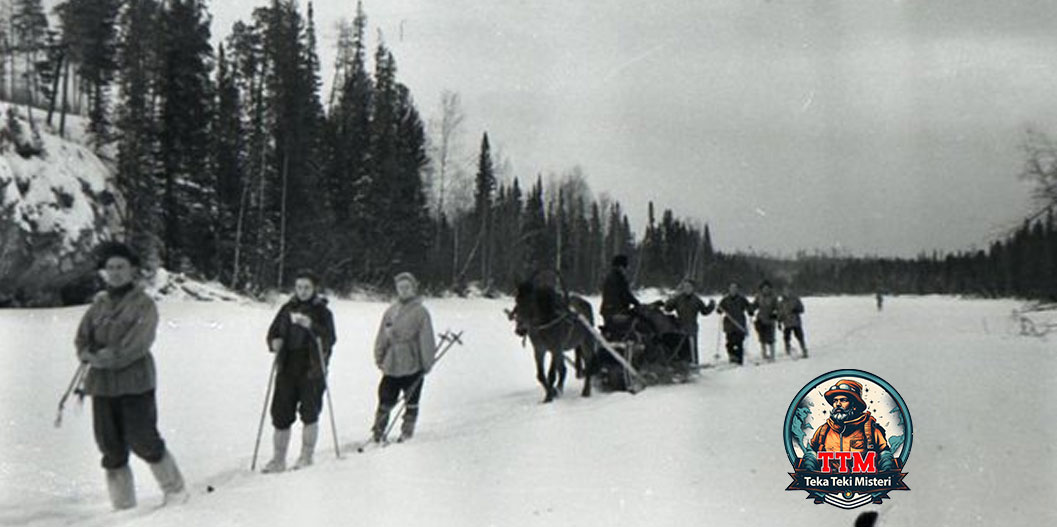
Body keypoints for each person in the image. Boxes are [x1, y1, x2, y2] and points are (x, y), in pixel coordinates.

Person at [74, 242, 188, 509]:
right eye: (110, 267)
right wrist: (86, 353)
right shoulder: (98, 305)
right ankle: (123, 506)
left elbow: (136, 345)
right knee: (110, 447)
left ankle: (175, 490)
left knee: (143, 439)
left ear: (132, 270)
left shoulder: (143, 304)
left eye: (121, 267)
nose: (115, 272)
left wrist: (99, 357)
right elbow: (82, 339)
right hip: (101, 386)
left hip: (135, 382)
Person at [262, 270, 337, 473]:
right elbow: (273, 332)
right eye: (299, 287)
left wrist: (311, 326)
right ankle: (278, 459)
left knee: (310, 412)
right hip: (287, 365)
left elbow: (330, 338)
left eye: (307, 287)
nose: (302, 291)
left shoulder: (322, 312)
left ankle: (306, 456)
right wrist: (273, 342)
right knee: (280, 413)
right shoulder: (287, 308)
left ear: (314, 289)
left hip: (312, 367)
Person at [371, 272, 436, 443]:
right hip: (392, 362)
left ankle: (407, 430)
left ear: (414, 289)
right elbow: (382, 335)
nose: (404, 290)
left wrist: (426, 362)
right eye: (401, 287)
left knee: (412, 398)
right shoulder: (391, 311)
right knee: (385, 396)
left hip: (412, 362)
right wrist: (380, 355)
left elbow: (426, 338)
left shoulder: (421, 312)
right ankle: (378, 430)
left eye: (407, 287)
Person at [805, 379, 897, 473]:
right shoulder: (823, 430)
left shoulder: (870, 430)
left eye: (843, 400)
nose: (838, 404)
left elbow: (884, 453)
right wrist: (810, 465)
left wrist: (886, 468)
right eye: (835, 401)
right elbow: (811, 451)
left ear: (854, 405)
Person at [662, 279, 716, 364]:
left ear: (693, 288)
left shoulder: (696, 299)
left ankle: (694, 364)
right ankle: (682, 365)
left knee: (692, 349)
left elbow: (704, 311)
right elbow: (668, 309)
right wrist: (669, 301)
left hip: (692, 328)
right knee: (680, 348)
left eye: (689, 287)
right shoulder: (678, 298)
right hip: (680, 327)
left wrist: (711, 306)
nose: (687, 289)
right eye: (685, 287)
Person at [600, 254, 641, 334]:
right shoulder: (619, 278)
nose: (626, 269)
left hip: (607, 310)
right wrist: (637, 304)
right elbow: (625, 294)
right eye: (625, 267)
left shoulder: (610, 276)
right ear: (620, 266)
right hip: (617, 311)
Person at [716, 282, 753, 365]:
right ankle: (732, 357)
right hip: (729, 325)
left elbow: (749, 307)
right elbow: (719, 308)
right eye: (732, 289)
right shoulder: (725, 299)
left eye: (735, 289)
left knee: (739, 343)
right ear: (729, 290)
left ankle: (739, 360)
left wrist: (750, 311)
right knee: (730, 343)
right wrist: (719, 310)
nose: (733, 290)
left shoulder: (742, 299)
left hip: (739, 324)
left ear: (737, 290)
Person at [751, 280, 780, 362]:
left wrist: (775, 314)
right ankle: (764, 354)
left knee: (771, 338)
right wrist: (751, 309)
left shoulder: (774, 297)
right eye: (764, 288)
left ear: (770, 289)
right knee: (762, 338)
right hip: (760, 319)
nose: (766, 290)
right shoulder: (759, 296)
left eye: (767, 288)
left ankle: (772, 355)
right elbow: (755, 305)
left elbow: (778, 307)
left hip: (770, 320)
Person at [778, 286, 807, 358]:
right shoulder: (781, 302)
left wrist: (797, 310)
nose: (786, 293)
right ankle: (787, 350)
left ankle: (804, 350)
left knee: (800, 336)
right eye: (785, 292)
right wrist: (779, 321)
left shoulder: (796, 300)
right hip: (787, 323)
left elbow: (802, 309)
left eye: (788, 291)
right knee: (786, 337)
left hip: (796, 322)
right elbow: (780, 313)